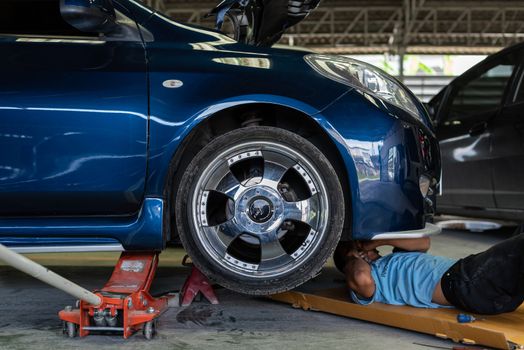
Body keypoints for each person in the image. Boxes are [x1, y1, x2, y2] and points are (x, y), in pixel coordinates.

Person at [334, 232, 524, 315]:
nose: (360, 245)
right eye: (353, 247)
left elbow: (423, 242)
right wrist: (351, 256)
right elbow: (360, 277)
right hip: (464, 286)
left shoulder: (393, 258)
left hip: (472, 274)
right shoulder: (370, 280)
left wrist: (377, 242)